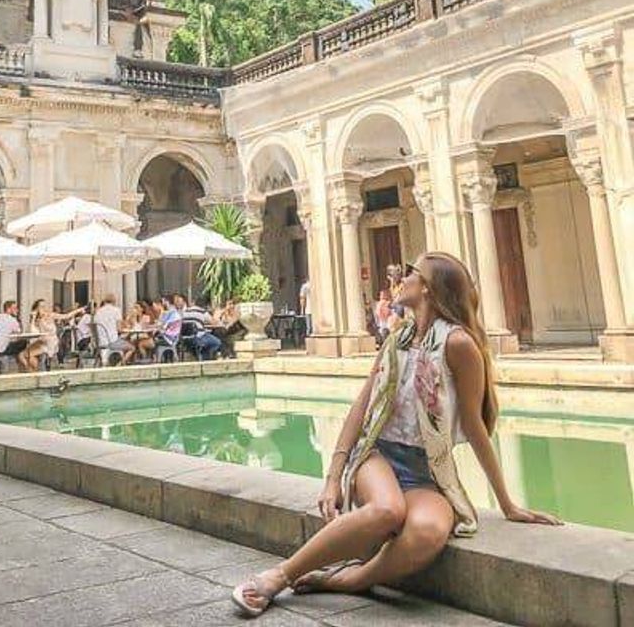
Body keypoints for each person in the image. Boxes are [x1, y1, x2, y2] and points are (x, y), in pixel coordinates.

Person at [232, 252, 562, 617]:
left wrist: (507, 504)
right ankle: (278, 576)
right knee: (388, 510)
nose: (402, 278)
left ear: (428, 290)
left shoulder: (458, 344)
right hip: (378, 456)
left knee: (428, 531)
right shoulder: (397, 337)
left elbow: (473, 424)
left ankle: (350, 580)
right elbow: (363, 403)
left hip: (426, 472)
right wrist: (333, 476)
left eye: (412, 273)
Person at [28, 297, 81, 370]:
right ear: (37, 309)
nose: (44, 309)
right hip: (42, 341)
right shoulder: (37, 320)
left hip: (51, 341)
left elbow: (66, 316)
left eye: (45, 306)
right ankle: (35, 371)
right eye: (41, 307)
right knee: (27, 354)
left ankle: (46, 365)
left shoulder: (51, 315)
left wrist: (78, 310)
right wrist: (33, 318)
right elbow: (32, 331)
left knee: (33, 353)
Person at [0, 300, 29, 372]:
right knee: (24, 342)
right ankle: (24, 367)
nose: (17, 310)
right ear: (8, 309)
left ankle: (20, 363)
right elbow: (19, 332)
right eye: (15, 308)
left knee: (16, 347)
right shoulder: (12, 320)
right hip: (3, 349)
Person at [176, 294, 222, 360]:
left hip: (186, 339)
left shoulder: (185, 312)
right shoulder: (202, 311)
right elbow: (214, 322)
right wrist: (217, 315)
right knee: (217, 342)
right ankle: (206, 358)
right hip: (198, 337)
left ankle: (201, 355)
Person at [94, 295, 135, 365]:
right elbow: (119, 329)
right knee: (132, 348)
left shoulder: (98, 312)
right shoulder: (116, 310)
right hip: (113, 341)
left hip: (101, 341)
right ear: (114, 302)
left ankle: (116, 361)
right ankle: (121, 363)